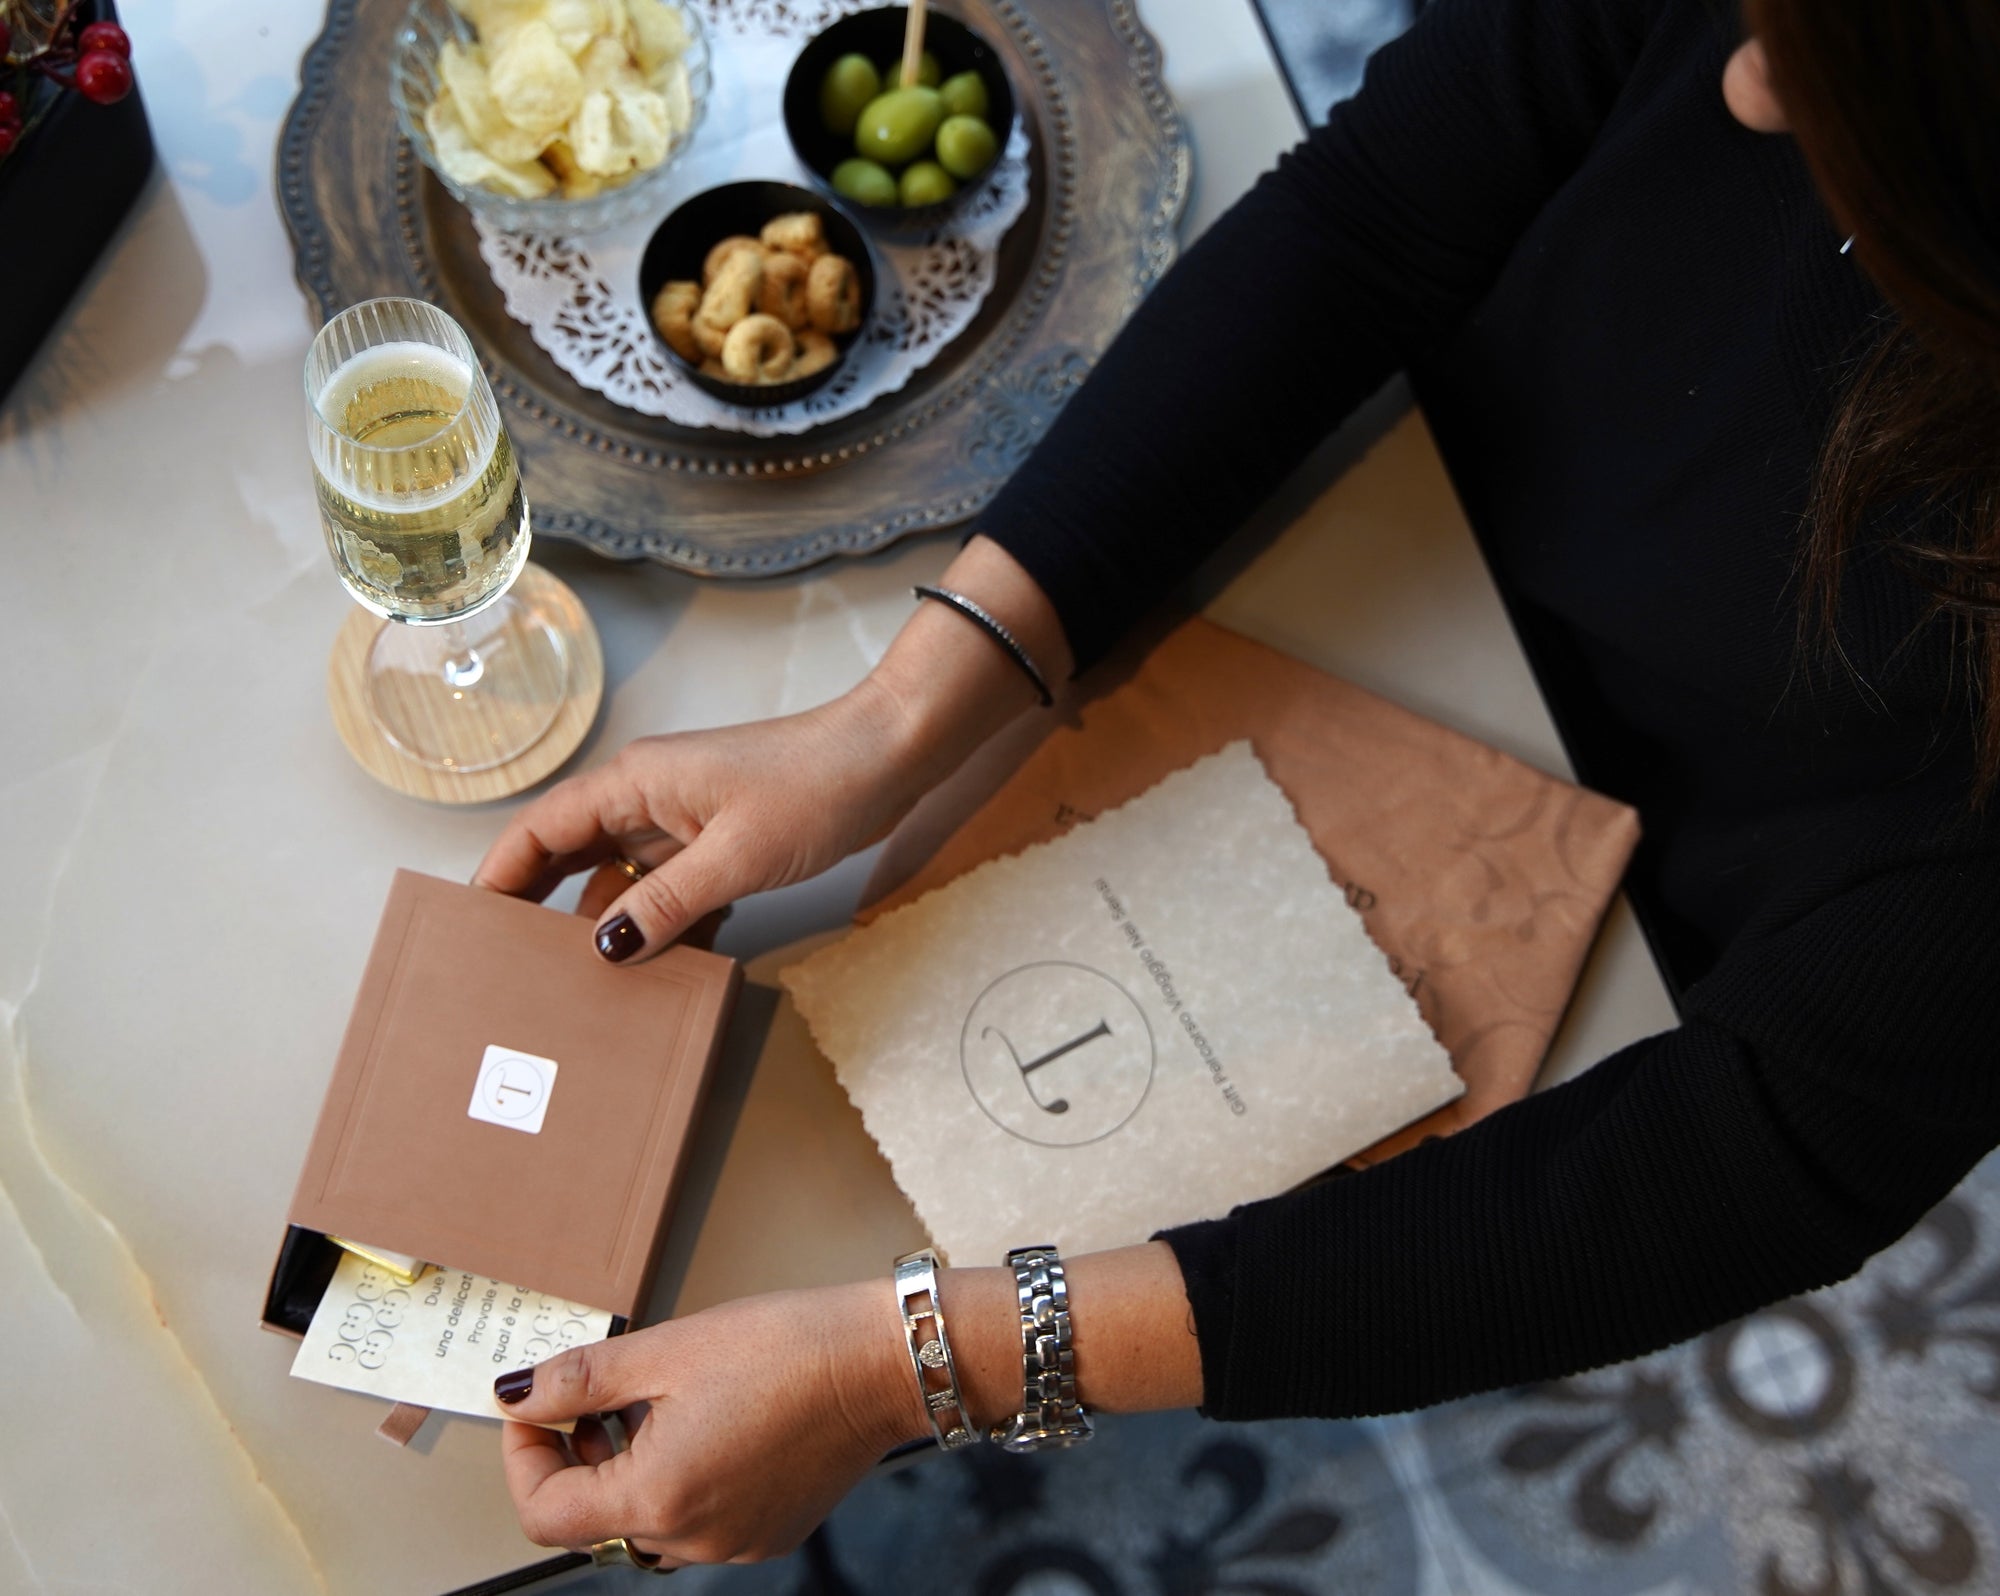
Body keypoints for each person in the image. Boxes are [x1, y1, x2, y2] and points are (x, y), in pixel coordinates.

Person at [472, 0, 2000, 1570]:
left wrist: (920, 1366)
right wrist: (889, 721)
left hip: (1641, 960)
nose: (1738, 83)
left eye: (1826, 68)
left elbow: (1734, 1167)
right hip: (1370, 530)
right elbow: (1384, 203)